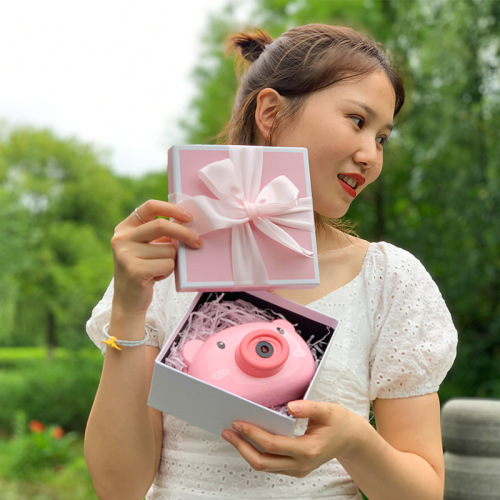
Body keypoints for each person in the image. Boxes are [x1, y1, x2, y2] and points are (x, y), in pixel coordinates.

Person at [84, 24, 457, 500]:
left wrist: (354, 440)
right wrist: (130, 309)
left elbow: (425, 493)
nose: (371, 156)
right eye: (358, 121)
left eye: (382, 137)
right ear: (270, 111)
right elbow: (118, 488)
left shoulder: (389, 281)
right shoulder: (165, 263)